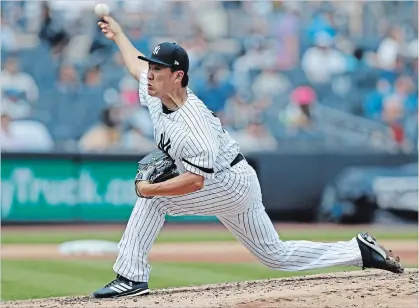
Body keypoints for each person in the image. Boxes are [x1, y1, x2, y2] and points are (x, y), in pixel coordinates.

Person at [92, 16, 404, 299]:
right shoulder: (157, 92)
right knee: (275, 255)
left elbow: (196, 181)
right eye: (152, 67)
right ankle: (359, 251)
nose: (150, 74)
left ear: (178, 76)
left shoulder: (193, 124)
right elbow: (135, 65)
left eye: (158, 69)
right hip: (237, 180)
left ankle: (130, 278)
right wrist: (118, 33)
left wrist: (152, 190)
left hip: (227, 182)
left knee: (154, 200)